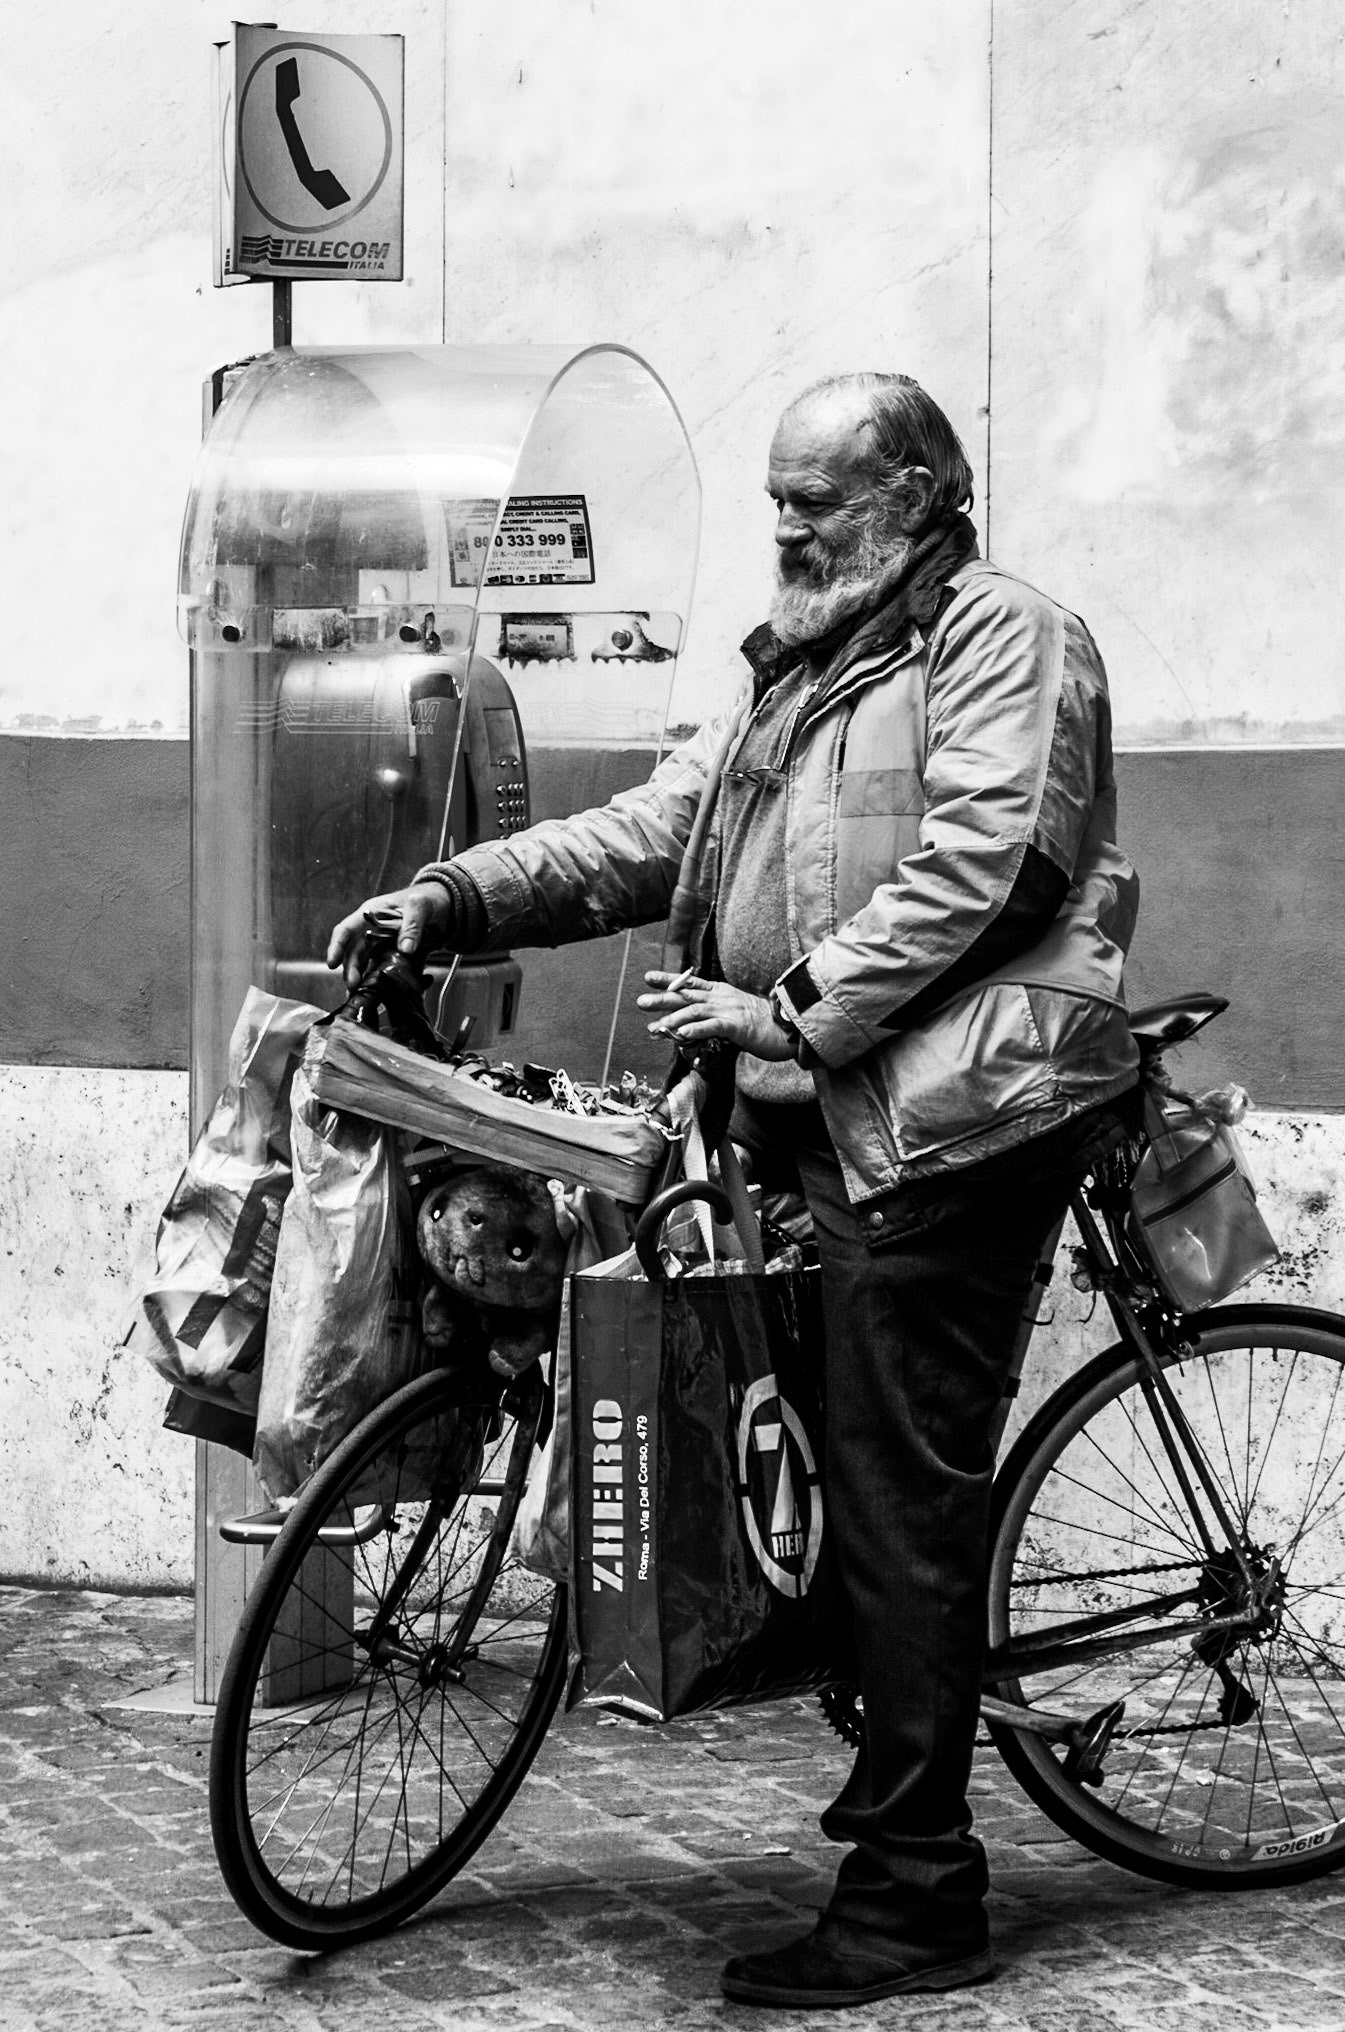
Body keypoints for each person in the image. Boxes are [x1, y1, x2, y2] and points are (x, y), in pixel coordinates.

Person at [328, 373, 1141, 2009]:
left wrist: (791, 1010)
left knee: (899, 1499)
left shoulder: (1002, 634)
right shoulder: (801, 664)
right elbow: (655, 832)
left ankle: (917, 1896)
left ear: (918, 494)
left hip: (947, 1129)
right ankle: (870, 1717)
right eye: (774, 499)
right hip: (805, 1114)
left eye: (816, 500)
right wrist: (458, 896)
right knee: (802, 1454)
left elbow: (993, 864)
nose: (786, 527)